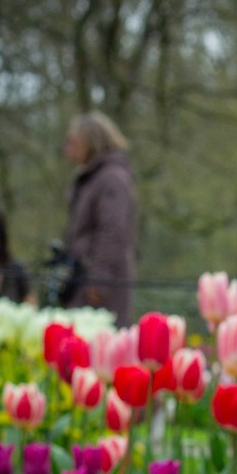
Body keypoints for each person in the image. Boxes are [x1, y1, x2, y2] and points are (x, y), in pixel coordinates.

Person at [63, 110, 137, 324]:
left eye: (73, 141)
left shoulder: (111, 178)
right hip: (83, 274)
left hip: (100, 284)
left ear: (90, 141)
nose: (68, 147)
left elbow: (113, 231)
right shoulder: (91, 178)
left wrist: (99, 278)